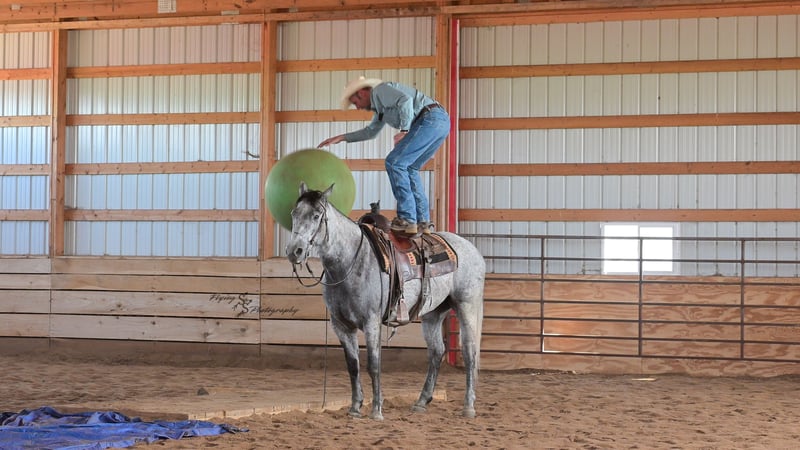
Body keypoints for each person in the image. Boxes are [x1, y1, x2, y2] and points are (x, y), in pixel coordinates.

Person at [318, 76, 450, 235]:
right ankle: (423, 222)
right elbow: (371, 131)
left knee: (394, 162)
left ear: (362, 93)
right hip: (439, 122)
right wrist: (342, 137)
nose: (358, 107)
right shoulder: (381, 109)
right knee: (410, 168)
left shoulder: (380, 90)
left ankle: (407, 220)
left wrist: (404, 130)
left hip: (429, 119)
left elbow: (405, 100)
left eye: (355, 102)